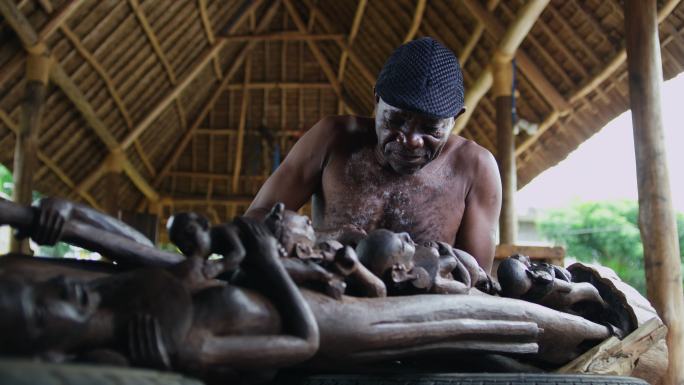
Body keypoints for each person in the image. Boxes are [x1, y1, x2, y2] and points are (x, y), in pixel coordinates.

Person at [245, 37, 502, 273]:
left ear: (455, 119)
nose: (411, 140)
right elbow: (254, 221)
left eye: (430, 128)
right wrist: (324, 238)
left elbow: (476, 281)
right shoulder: (332, 139)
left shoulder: (475, 168)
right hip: (331, 307)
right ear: (377, 101)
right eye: (396, 120)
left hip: (425, 319)